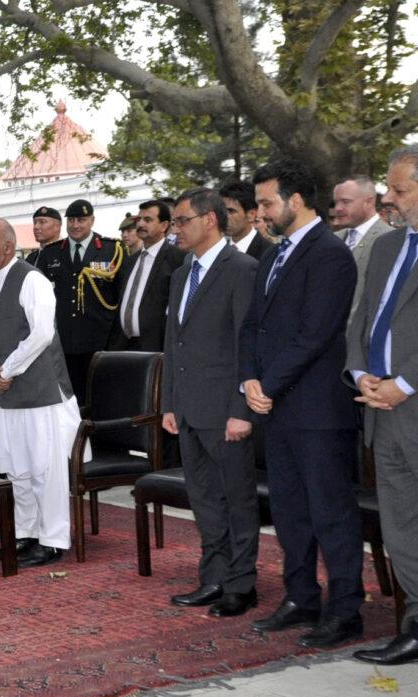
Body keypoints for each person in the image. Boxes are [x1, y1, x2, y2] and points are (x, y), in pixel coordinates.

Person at [239, 159, 362, 649]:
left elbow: (316, 333)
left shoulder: (330, 254)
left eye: (267, 202)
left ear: (296, 200)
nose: (261, 212)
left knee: (330, 512)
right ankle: (300, 597)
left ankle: (346, 609)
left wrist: (266, 384)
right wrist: (250, 378)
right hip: (276, 405)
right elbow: (251, 325)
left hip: (317, 409)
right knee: (290, 511)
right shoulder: (272, 256)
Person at [161, 188, 261, 616]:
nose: (175, 228)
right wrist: (169, 401)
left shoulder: (242, 269)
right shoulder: (183, 272)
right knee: (203, 498)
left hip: (225, 410)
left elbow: (248, 346)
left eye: (182, 220)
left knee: (236, 497)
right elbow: (173, 342)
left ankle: (242, 583)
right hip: (187, 407)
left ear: (210, 221)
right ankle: (214, 577)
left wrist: (241, 411)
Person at [347, 146, 418, 665]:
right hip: (379, 407)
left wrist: (407, 384)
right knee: (400, 523)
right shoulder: (389, 247)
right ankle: (415, 621)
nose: (387, 199)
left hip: (410, 403)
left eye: (398, 190)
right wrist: (361, 373)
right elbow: (362, 319)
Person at [0, 219, 81, 566]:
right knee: (18, 469)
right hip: (8, 392)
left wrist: (7, 369)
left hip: (41, 392)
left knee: (45, 469)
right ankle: (26, 533)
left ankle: (52, 539)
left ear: (7, 247)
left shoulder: (32, 279)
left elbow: (41, 334)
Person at [34, 199, 129, 400]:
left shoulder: (112, 250)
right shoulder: (51, 253)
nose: (76, 225)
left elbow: (122, 297)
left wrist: (116, 341)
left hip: (101, 342)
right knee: (68, 400)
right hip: (63, 343)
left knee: (102, 398)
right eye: (72, 220)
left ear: (92, 220)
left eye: (82, 220)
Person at [114, 200, 186, 352]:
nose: (140, 224)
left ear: (164, 225)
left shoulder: (178, 259)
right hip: (124, 346)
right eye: (139, 219)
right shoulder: (129, 261)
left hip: (157, 347)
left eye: (148, 220)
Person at [332, 175, 390, 301]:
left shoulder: (390, 240)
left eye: (346, 201)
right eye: (336, 202)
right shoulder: (334, 239)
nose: (338, 208)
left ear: (369, 202)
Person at [220, 181, 273, 261]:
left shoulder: (269, 254)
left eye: (231, 211)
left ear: (251, 215)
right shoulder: (218, 251)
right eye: (222, 211)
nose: (224, 217)